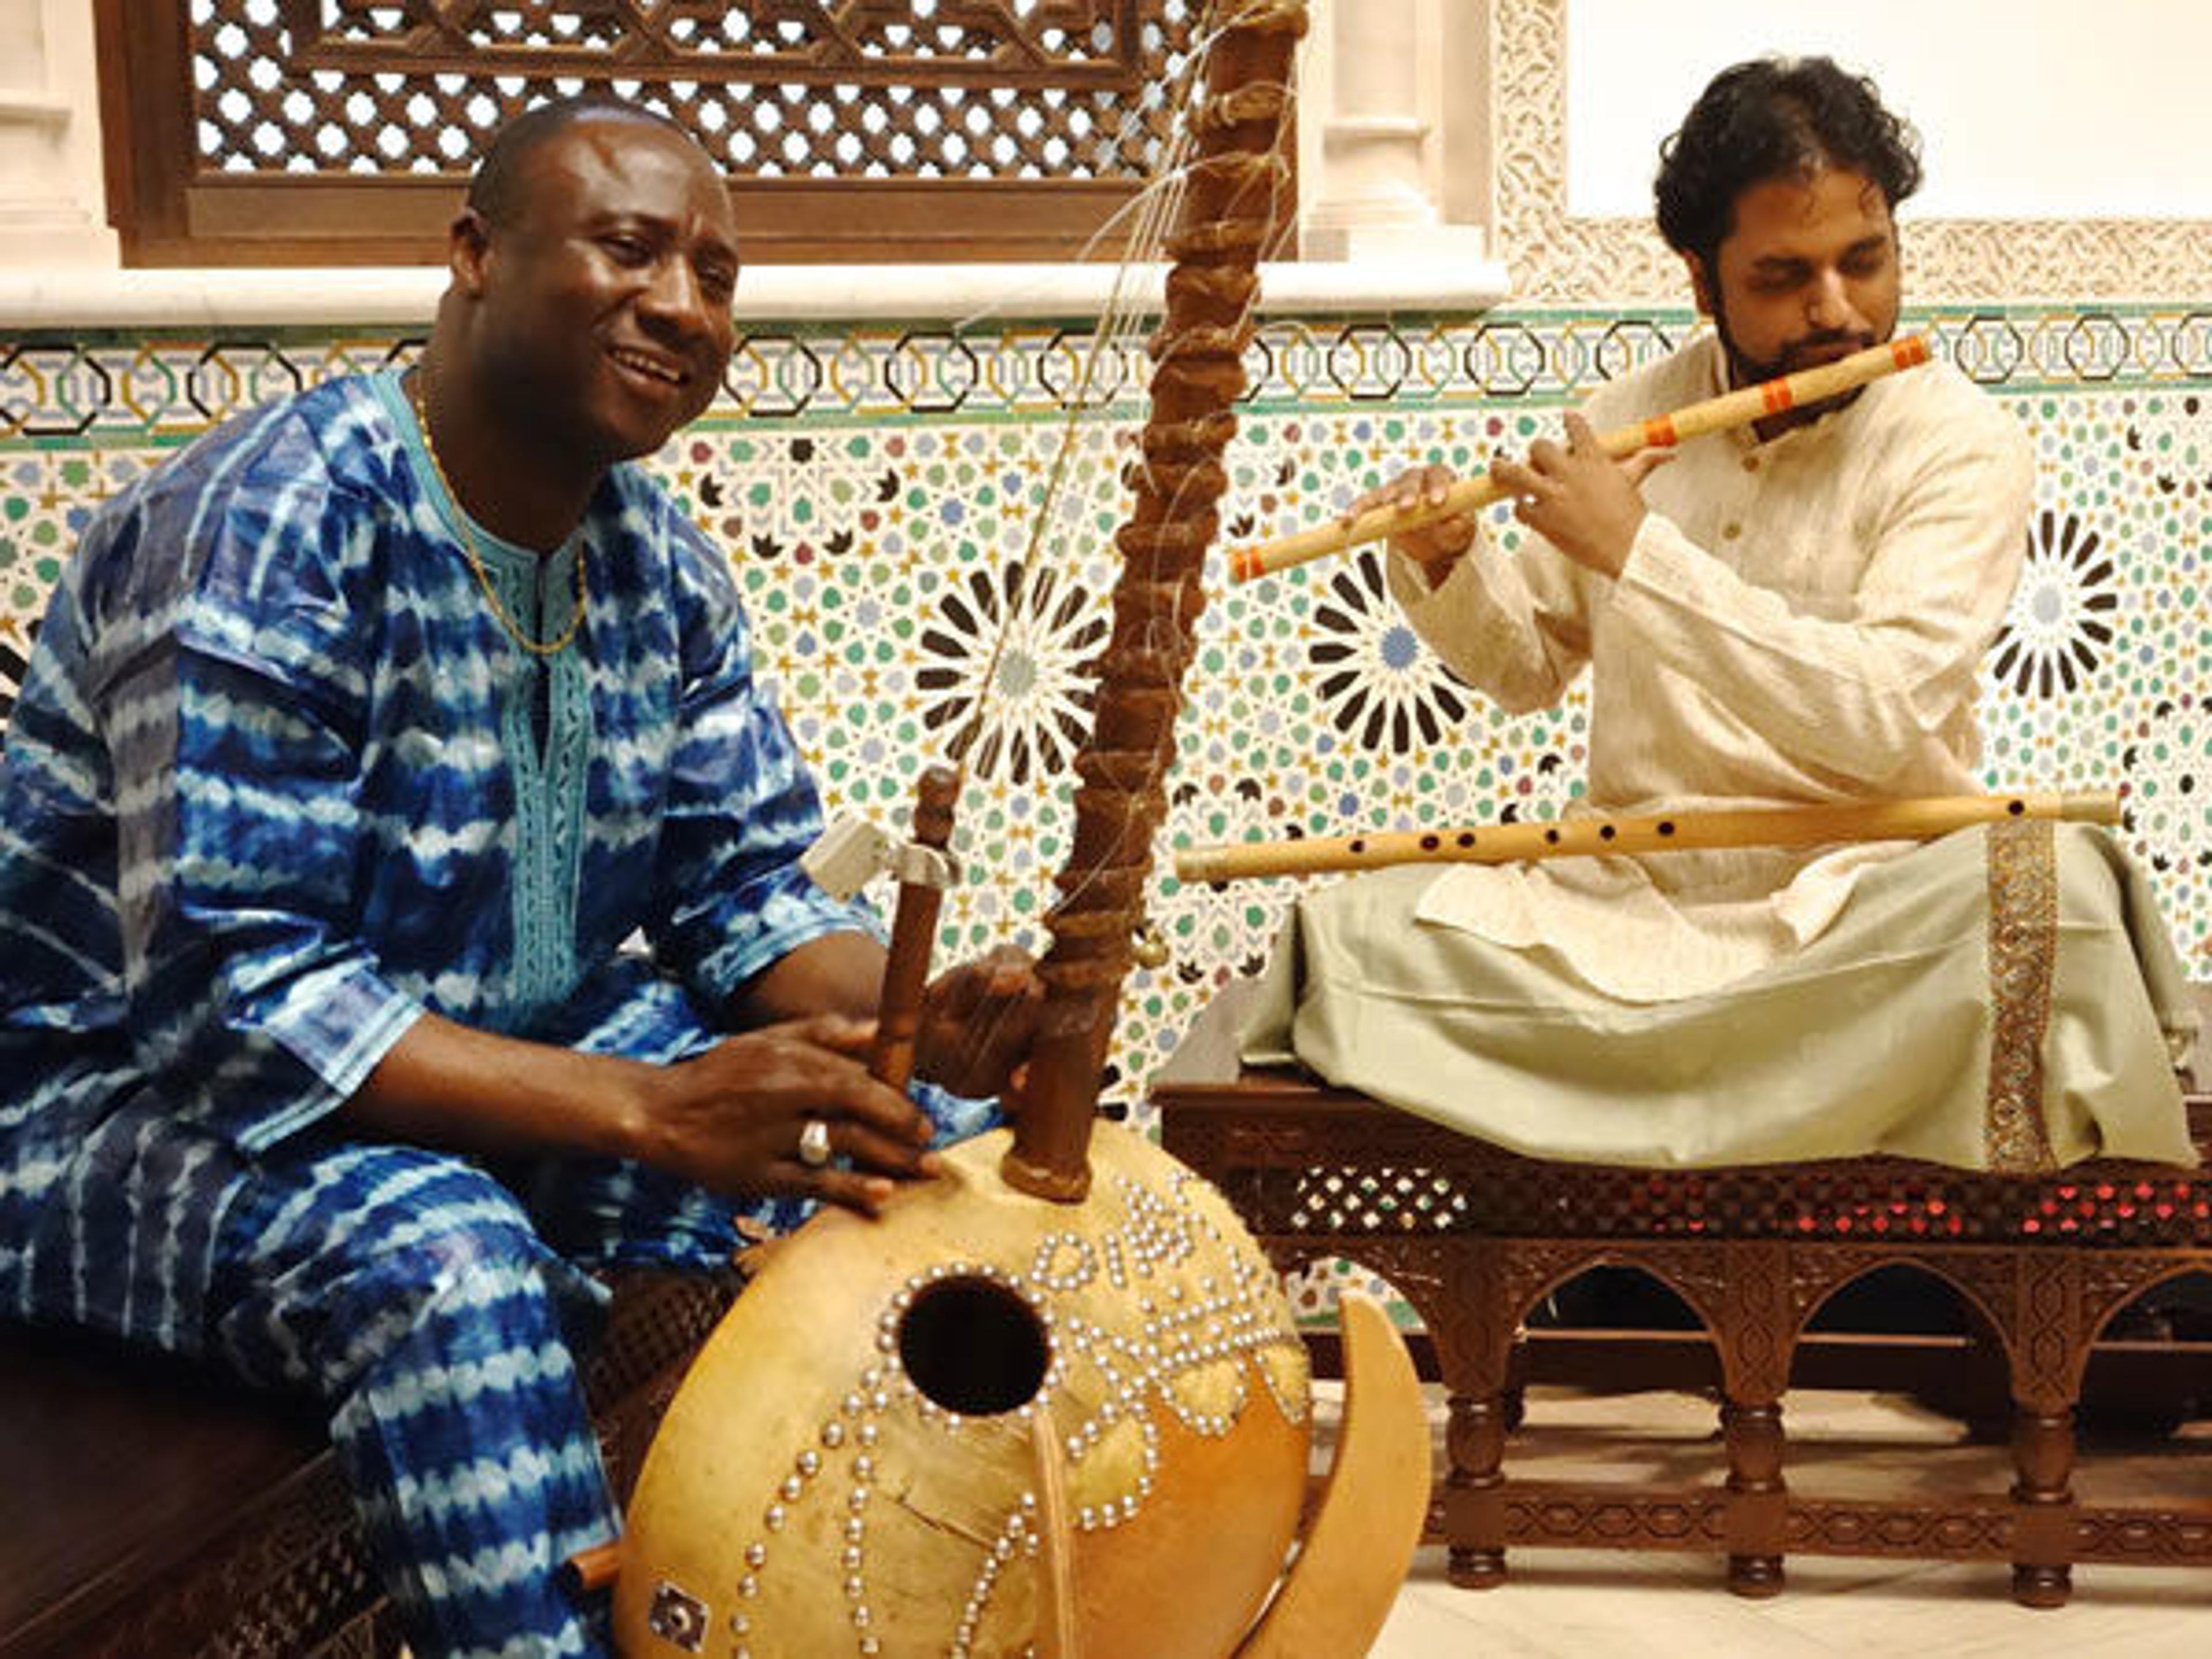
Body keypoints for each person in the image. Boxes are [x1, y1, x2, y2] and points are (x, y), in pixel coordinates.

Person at [0, 97, 1036, 1657]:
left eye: (716, 274)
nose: (683, 305)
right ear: (474, 255)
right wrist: (653, 1111)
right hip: (114, 1114)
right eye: (629, 247)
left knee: (921, 1150)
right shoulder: (274, 520)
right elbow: (239, 1005)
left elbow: (743, 888)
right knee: (445, 1273)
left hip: (492, 1071)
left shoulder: (653, 561)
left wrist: (915, 1017)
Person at [1241, 55, 2196, 1172]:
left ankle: (1647, 1098)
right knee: (1355, 939)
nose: (1837, 310)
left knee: (2060, 898)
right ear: (1702, 281)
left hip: (1866, 914)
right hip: (1641, 909)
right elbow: (1530, 666)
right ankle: (1717, 1093)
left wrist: (1639, 554)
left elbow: (1883, 715)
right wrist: (1449, 559)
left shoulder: (1960, 444)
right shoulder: (1630, 418)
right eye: (1785, 277)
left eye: (1865, 263)